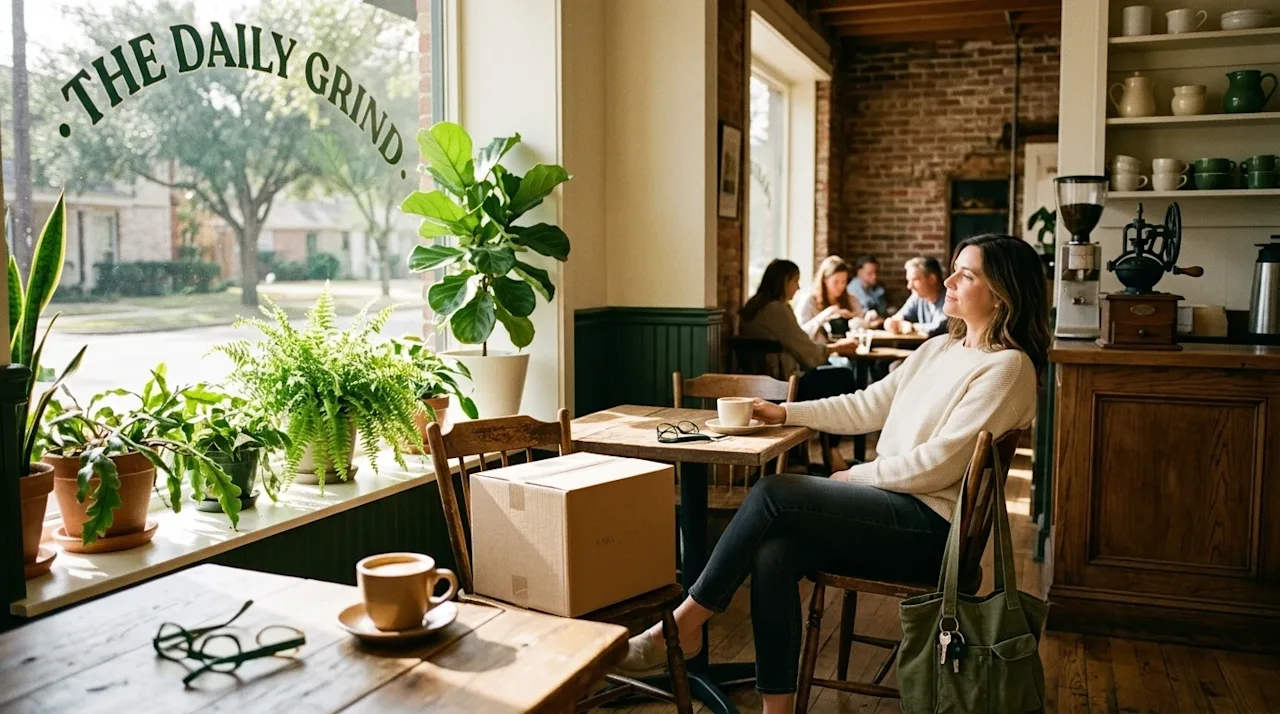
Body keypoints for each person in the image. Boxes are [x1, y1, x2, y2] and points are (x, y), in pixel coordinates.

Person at [615, 234, 1050, 714]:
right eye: (952, 269)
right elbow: (867, 404)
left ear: (1002, 293)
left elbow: (940, 463)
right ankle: (775, 709)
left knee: (773, 491)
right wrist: (785, 412)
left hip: (932, 531)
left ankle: (679, 628)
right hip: (896, 507)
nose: (947, 280)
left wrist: (855, 477)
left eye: (965, 275)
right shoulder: (940, 348)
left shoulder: (1009, 368)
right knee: (776, 553)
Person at [795, 255, 862, 345]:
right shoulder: (809, 300)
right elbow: (800, 335)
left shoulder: (851, 299)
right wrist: (825, 315)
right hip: (818, 352)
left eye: (844, 281)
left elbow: (863, 328)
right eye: (836, 282)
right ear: (825, 280)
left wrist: (853, 318)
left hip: (849, 350)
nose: (840, 286)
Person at [884, 255, 949, 338]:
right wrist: (891, 323)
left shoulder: (950, 298)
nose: (909, 286)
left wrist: (912, 327)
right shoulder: (917, 297)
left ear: (932, 279)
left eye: (914, 280)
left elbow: (939, 327)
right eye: (908, 280)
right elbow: (900, 316)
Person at [848, 254, 889, 328]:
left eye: (876, 272)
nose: (874, 276)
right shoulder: (852, 290)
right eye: (870, 273)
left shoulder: (878, 287)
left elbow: (884, 310)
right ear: (859, 272)